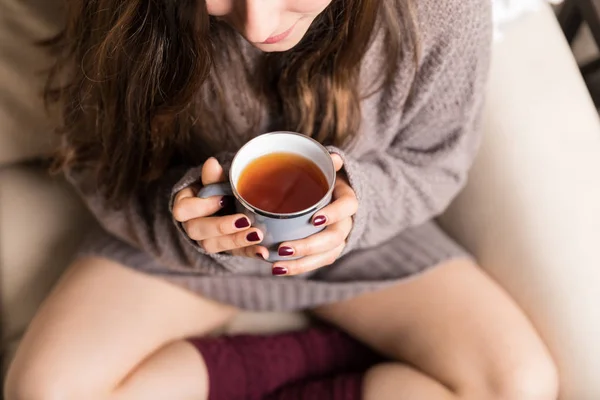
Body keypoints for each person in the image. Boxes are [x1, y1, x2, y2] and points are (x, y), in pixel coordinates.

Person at [4, 0, 559, 399]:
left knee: (520, 383)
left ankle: (306, 363)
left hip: (367, 248)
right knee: (42, 389)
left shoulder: (440, 10)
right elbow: (93, 160)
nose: (258, 24)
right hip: (178, 250)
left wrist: (357, 213)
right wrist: (185, 217)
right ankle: (296, 362)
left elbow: (436, 160)